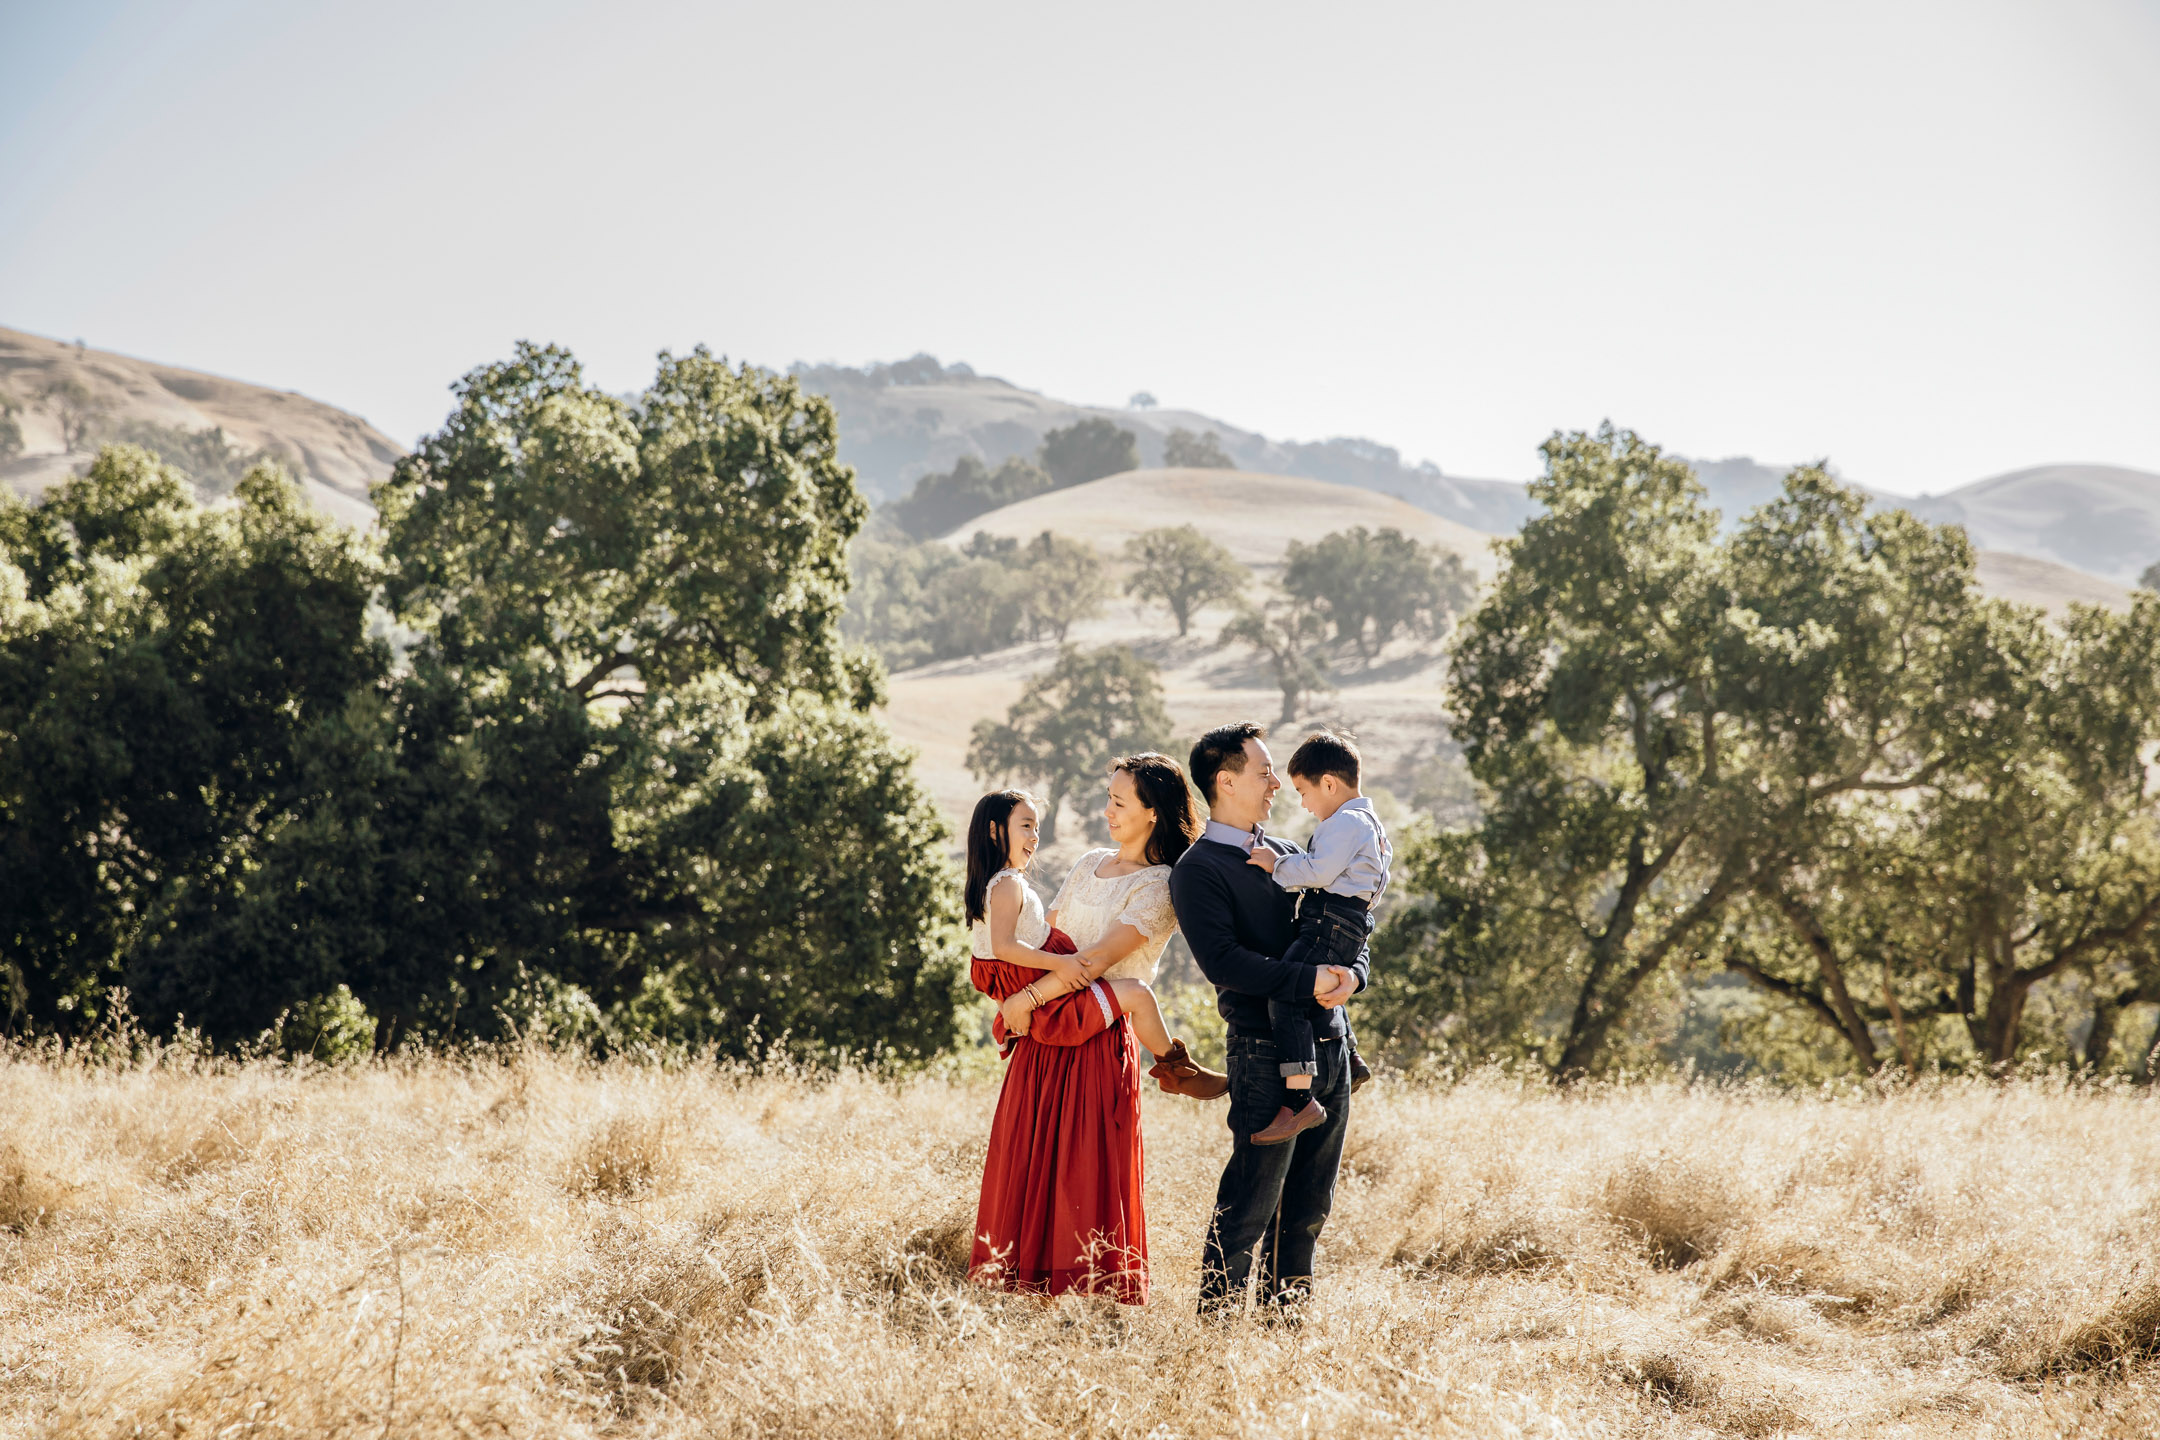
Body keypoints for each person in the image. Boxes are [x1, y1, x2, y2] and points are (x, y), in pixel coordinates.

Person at [965, 755, 1224, 1305]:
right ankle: (1016, 1293)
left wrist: (1026, 1000)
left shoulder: (1161, 886)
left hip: (1097, 1037)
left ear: (1153, 813)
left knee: (1081, 1175)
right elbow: (1048, 944)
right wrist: (1024, 997)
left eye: (1119, 802)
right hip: (1043, 1035)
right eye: (1108, 797)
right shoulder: (1087, 863)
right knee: (1027, 1162)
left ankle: (1086, 1303)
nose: (1105, 810)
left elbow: (1094, 961)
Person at [1170, 722, 1363, 1320]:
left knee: (1306, 1212)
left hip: (1330, 1045)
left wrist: (1356, 974)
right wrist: (1308, 981)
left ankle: (1284, 1340)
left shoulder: (1287, 855)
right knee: (1248, 1210)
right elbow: (1224, 964)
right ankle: (1213, 1346)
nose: (1278, 781)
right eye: (1264, 771)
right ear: (1225, 782)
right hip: (1261, 1054)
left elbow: (1345, 915)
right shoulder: (1197, 870)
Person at [1244, 730, 1389, 1145]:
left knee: (1286, 992)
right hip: (1351, 923)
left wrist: (1277, 864)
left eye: (1303, 792)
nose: (1304, 804)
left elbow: (1318, 872)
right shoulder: (1371, 825)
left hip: (1330, 920)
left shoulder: (1345, 822)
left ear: (1329, 783)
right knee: (1318, 992)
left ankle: (1299, 1099)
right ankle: (1350, 1055)